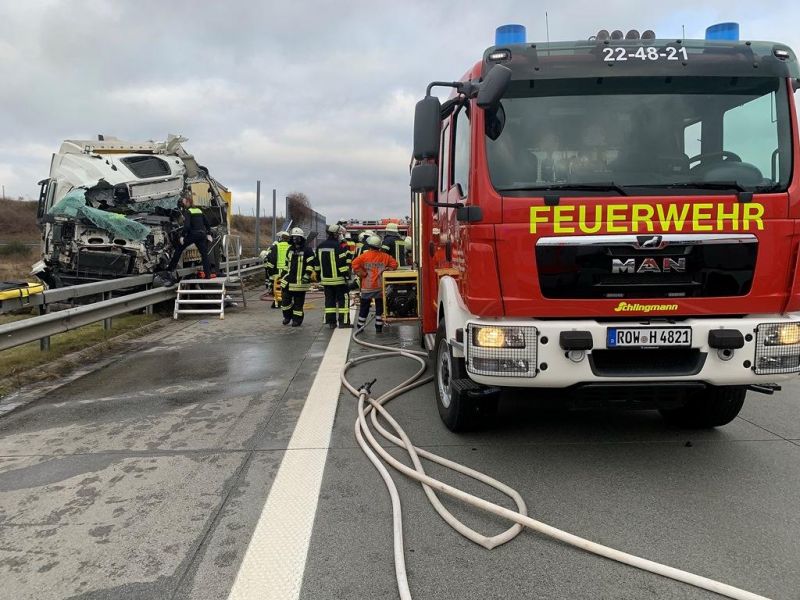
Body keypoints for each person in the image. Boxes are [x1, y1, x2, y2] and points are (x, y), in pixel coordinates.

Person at [351, 234, 398, 333]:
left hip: (367, 287)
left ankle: (360, 326)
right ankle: (378, 327)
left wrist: (362, 273)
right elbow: (394, 264)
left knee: (364, 307)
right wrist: (387, 269)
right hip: (380, 287)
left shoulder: (364, 256)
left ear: (369, 245)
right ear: (379, 246)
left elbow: (354, 264)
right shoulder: (385, 256)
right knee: (379, 307)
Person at [166, 192, 214, 279]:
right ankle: (208, 275)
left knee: (179, 248)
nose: (183, 203)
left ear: (188, 202)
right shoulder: (199, 211)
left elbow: (187, 226)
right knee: (204, 254)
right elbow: (207, 224)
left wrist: (182, 236)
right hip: (202, 235)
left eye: (184, 201)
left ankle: (170, 269)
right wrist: (209, 234)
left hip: (193, 235)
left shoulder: (188, 212)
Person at [316, 224, 353, 329]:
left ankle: (331, 322)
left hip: (326, 281)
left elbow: (317, 264)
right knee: (343, 300)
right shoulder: (338, 247)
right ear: (336, 234)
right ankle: (343, 322)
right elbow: (342, 263)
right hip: (339, 280)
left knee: (329, 300)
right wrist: (346, 275)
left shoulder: (320, 246)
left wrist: (319, 277)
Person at [281, 227, 317, 327]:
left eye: (297, 237)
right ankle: (287, 317)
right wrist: (283, 274)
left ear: (301, 238)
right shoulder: (290, 249)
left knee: (298, 303)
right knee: (285, 302)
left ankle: (297, 320)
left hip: (300, 282)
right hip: (288, 281)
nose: (295, 239)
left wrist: (307, 274)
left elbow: (311, 264)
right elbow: (286, 263)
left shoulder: (307, 250)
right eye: (293, 237)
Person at [264, 230, 290, 309]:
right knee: (287, 288)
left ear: (281, 238)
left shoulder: (276, 247)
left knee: (277, 288)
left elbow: (272, 260)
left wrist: (270, 272)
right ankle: (287, 302)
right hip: (288, 271)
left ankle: (277, 303)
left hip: (277, 271)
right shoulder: (290, 247)